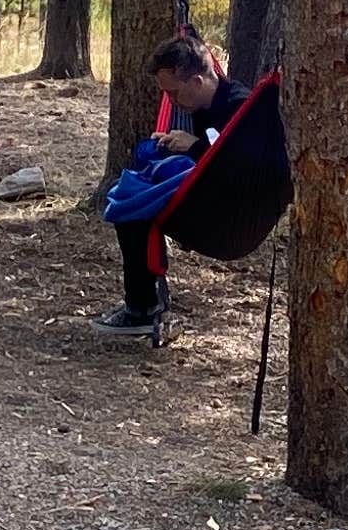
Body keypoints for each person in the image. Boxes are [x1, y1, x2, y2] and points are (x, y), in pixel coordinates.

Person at [97, 28, 247, 334]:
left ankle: (141, 308)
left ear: (197, 81)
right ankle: (143, 305)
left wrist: (192, 146)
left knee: (135, 207)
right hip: (202, 193)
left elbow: (241, 166)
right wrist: (172, 144)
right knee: (131, 201)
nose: (172, 101)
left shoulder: (239, 106)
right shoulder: (200, 107)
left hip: (233, 211)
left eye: (174, 93)